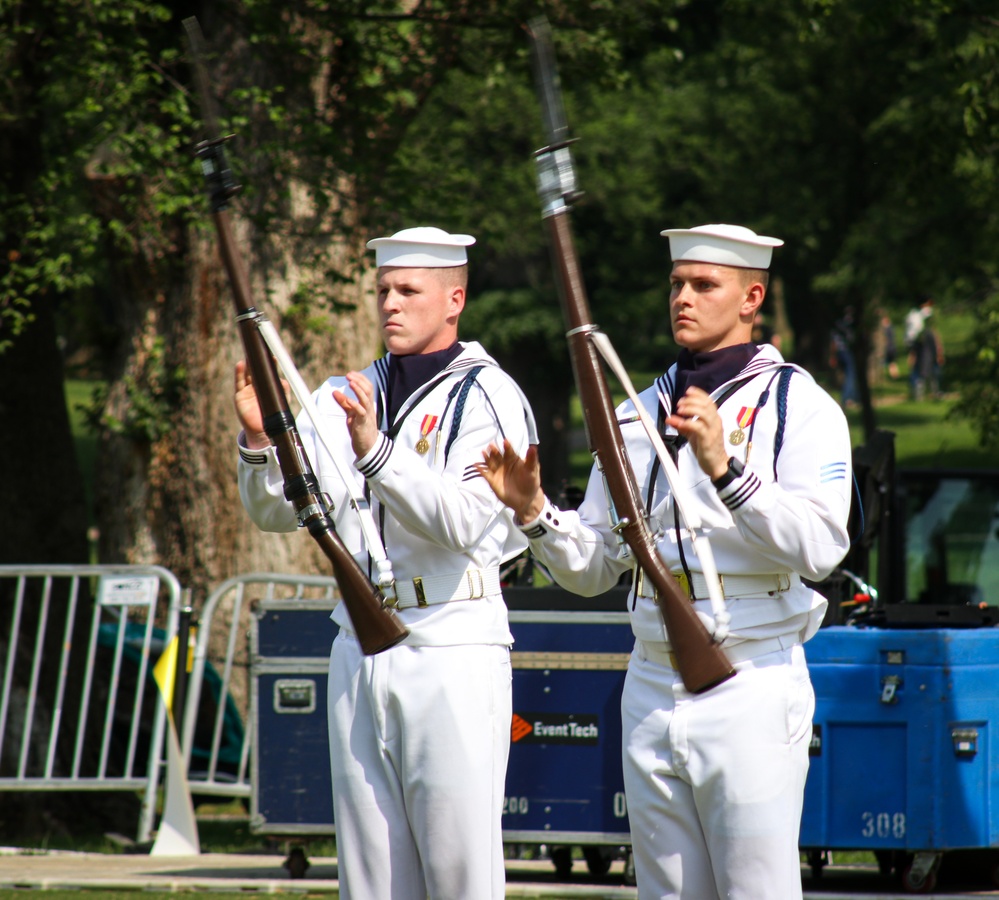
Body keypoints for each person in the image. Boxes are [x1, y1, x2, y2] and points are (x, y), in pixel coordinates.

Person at [475, 224, 853, 900]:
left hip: (750, 669)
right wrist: (534, 514)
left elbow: (821, 547)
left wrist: (728, 470)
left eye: (704, 285)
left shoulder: (798, 405)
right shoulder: (633, 410)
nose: (683, 297)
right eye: (676, 283)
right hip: (649, 674)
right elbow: (592, 567)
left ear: (750, 297)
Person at [234, 226, 537, 899]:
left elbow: (463, 523)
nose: (390, 304)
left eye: (408, 290)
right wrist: (259, 442)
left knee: (458, 870)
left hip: (451, 638)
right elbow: (278, 509)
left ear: (454, 298)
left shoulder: (489, 396)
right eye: (381, 291)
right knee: (369, 873)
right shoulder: (346, 391)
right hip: (361, 640)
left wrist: (377, 453)